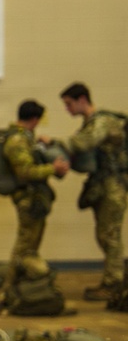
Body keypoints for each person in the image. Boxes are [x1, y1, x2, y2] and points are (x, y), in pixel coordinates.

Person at [0, 100, 69, 312]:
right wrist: (53, 168)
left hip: (35, 200)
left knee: (29, 248)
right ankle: (7, 294)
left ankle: (23, 293)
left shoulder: (24, 139)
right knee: (23, 249)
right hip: (28, 201)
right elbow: (25, 172)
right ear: (35, 119)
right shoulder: (17, 141)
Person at [57, 82, 127, 300]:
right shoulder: (91, 122)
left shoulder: (101, 122)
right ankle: (114, 281)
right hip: (103, 184)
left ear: (82, 100)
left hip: (113, 185)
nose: (67, 109)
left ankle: (114, 285)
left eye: (69, 104)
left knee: (110, 235)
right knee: (105, 234)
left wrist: (55, 142)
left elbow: (83, 143)